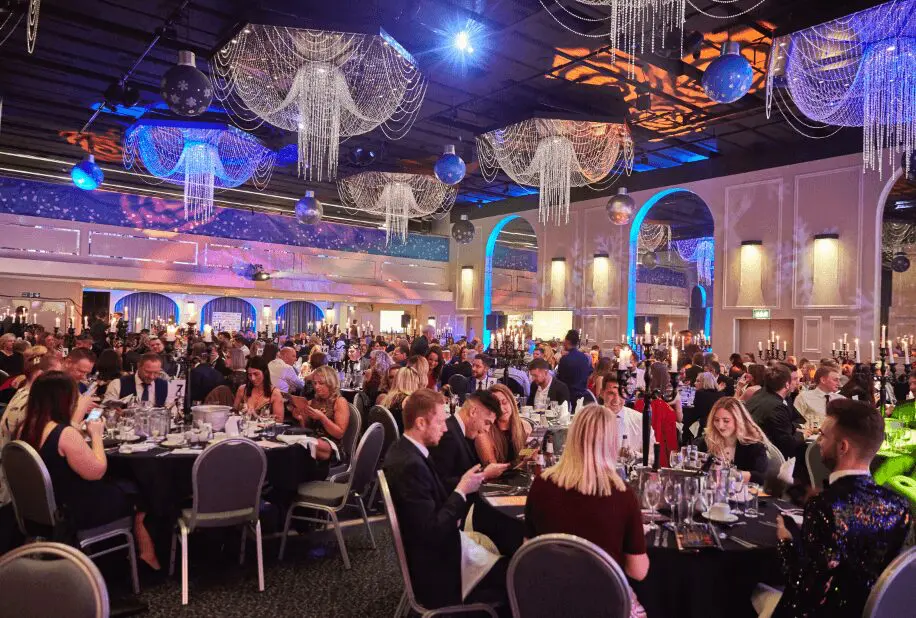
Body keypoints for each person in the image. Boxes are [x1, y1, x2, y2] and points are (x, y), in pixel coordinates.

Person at [754, 399, 911, 618]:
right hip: (870, 611)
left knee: (746, 588)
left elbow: (805, 590)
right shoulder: (899, 505)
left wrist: (785, 542)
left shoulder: (825, 506)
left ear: (842, 447)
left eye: (822, 435)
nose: (818, 441)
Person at [17, 372, 160, 569]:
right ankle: (144, 554)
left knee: (123, 485)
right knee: (138, 492)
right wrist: (96, 435)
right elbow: (97, 471)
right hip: (71, 511)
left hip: (40, 507)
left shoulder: (25, 427)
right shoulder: (64, 434)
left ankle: (136, 553)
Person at [382, 389, 504, 609]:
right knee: (516, 574)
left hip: (436, 552)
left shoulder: (404, 450)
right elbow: (433, 531)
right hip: (437, 570)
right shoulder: (410, 466)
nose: (446, 427)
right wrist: (462, 490)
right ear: (421, 423)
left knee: (506, 565)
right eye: (440, 422)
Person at [524, 404, 649, 617]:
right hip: (604, 607)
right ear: (611, 443)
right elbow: (638, 571)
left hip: (548, 603)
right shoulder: (622, 494)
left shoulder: (541, 484)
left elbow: (529, 551)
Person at [429, 390, 509, 492]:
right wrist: (483, 475)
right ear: (473, 412)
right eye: (487, 422)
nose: (487, 429)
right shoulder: (448, 434)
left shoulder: (460, 432)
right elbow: (440, 484)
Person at [697, 398, 768, 485]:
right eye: (716, 420)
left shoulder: (754, 446)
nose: (720, 426)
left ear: (739, 421)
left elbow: (761, 477)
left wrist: (729, 474)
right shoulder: (706, 442)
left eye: (726, 421)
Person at [745, 363, 807, 461]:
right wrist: (803, 435)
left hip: (751, 450)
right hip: (765, 458)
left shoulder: (759, 394)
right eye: (794, 379)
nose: (797, 383)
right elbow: (788, 444)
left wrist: (795, 429)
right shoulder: (777, 407)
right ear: (787, 384)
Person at [290, 365, 350, 461]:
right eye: (315, 383)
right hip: (313, 440)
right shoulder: (313, 402)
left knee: (307, 445)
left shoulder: (340, 402)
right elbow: (307, 429)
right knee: (297, 444)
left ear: (331, 383)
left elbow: (339, 434)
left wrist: (322, 418)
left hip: (332, 445)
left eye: (321, 383)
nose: (316, 387)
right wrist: (300, 418)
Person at [633, 362, 682, 468]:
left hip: (639, 455)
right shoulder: (667, 409)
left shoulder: (639, 403)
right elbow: (671, 443)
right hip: (659, 458)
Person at [600, 376, 656, 464]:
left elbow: (653, 458)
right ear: (602, 393)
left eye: (621, 393)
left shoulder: (640, 420)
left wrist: (635, 455)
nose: (616, 400)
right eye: (611, 393)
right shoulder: (591, 420)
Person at [476, 384, 531, 465]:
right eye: (496, 405)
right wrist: (520, 463)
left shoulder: (525, 426)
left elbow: (525, 458)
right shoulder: (484, 433)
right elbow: (492, 469)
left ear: (512, 402)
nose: (501, 409)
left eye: (504, 402)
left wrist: (529, 453)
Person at [103, 353, 168, 406]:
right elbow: (106, 409)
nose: (151, 377)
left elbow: (170, 410)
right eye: (148, 372)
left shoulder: (165, 385)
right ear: (138, 366)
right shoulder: (117, 384)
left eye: (156, 373)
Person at [234, 355, 284, 422]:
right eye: (250, 375)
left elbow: (279, 420)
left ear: (265, 373)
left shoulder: (275, 393)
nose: (253, 378)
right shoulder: (242, 390)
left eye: (256, 374)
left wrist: (257, 417)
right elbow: (234, 413)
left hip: (265, 428)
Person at [793, 365, 843, 429]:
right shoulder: (804, 397)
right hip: (810, 434)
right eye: (835, 380)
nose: (839, 383)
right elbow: (795, 423)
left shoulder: (841, 400)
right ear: (823, 380)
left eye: (839, 380)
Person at [684, 371, 727, 442]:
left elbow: (686, 416)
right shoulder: (722, 395)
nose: (694, 383)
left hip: (699, 432)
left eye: (698, 381)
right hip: (717, 430)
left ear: (705, 383)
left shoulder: (696, 394)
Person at [382, 367, 422, 434]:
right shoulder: (408, 400)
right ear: (413, 382)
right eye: (417, 382)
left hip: (388, 436)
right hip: (402, 437)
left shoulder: (388, 398)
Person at [556, 329, 592, 404]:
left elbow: (560, 379)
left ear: (567, 341)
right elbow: (589, 375)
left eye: (564, 340)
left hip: (568, 396)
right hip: (582, 395)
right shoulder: (585, 357)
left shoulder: (565, 359)